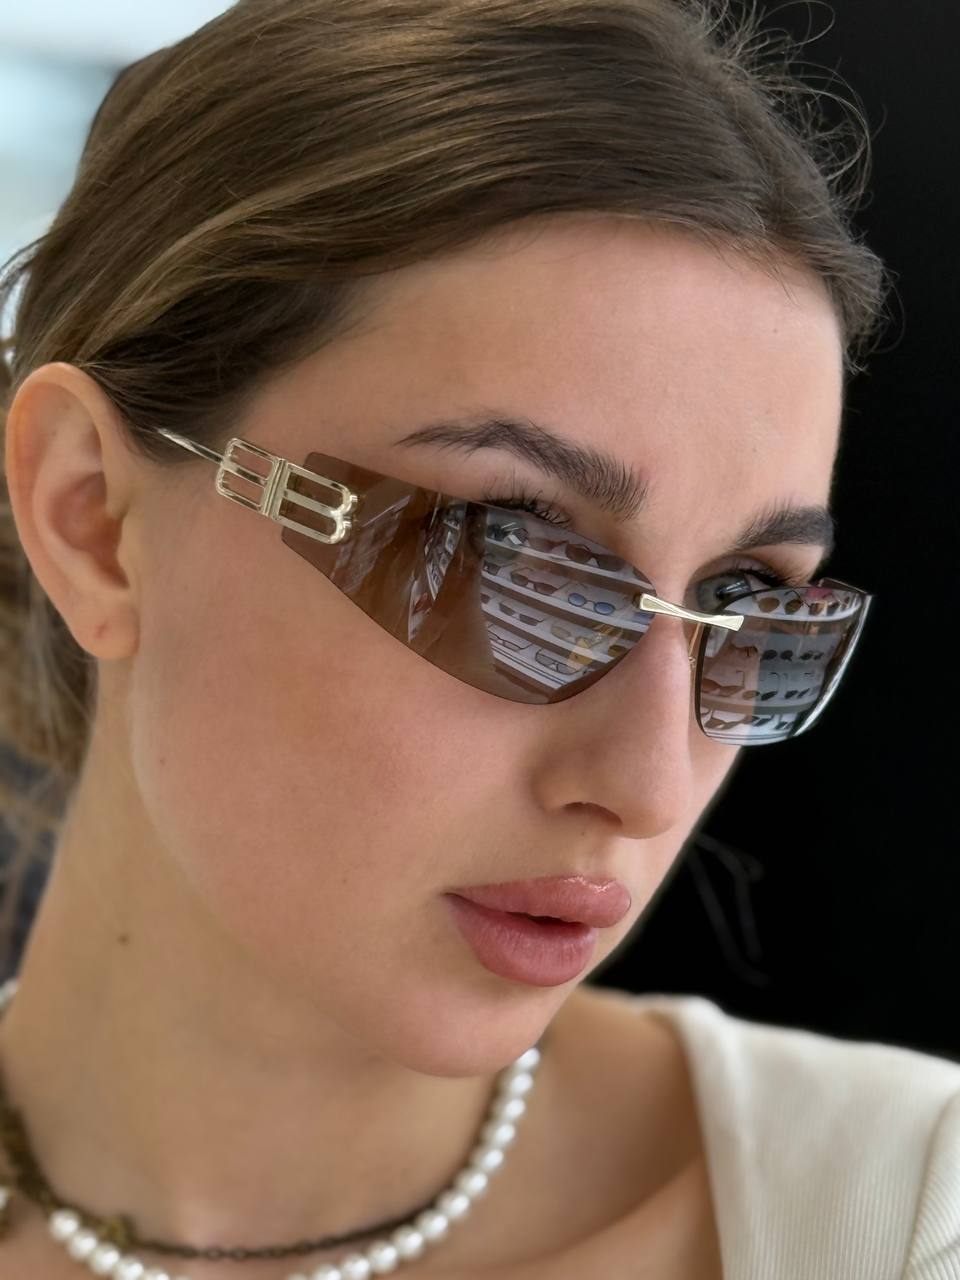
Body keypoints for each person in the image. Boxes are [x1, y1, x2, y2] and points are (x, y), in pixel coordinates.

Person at [0, 1, 957, 1277]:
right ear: (92, 518)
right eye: (509, 556)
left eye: (746, 600)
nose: (645, 783)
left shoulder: (905, 1216)